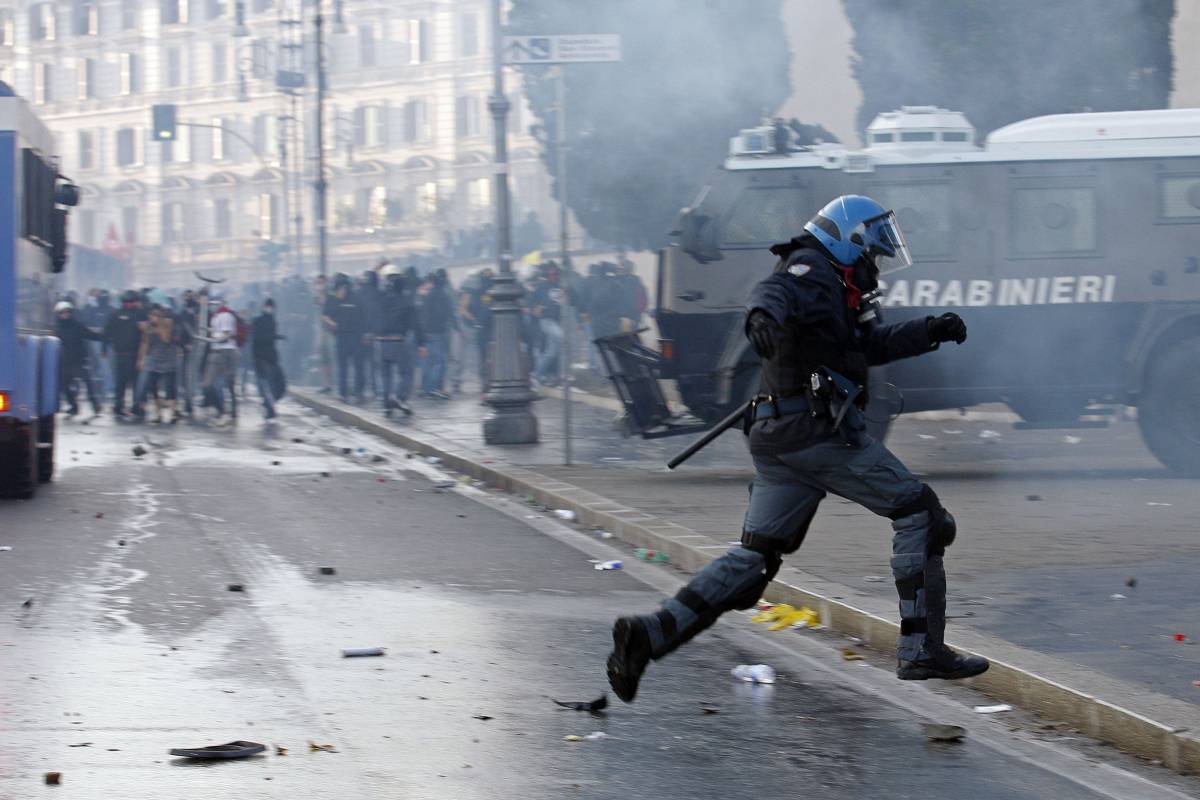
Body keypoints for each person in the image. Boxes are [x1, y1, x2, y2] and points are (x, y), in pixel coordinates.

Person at [605, 195, 987, 703]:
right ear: (850, 241)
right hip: (814, 436)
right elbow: (771, 293)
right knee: (921, 513)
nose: (876, 264)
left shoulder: (835, 287)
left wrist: (928, 331)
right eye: (872, 252)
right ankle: (921, 649)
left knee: (753, 561)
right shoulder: (810, 268)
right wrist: (763, 320)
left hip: (779, 440)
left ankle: (648, 635)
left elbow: (863, 348)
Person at [376, 266, 426, 416]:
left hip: (382, 341)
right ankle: (400, 398)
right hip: (398, 341)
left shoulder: (383, 300)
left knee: (386, 375)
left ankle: (387, 403)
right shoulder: (407, 302)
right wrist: (422, 343)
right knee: (407, 372)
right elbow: (415, 324)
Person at [54, 301, 103, 418]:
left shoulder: (77, 325)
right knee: (65, 386)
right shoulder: (56, 329)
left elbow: (90, 335)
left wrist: (105, 337)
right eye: (63, 313)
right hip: (65, 362)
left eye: (67, 312)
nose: (66, 315)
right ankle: (73, 406)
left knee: (88, 383)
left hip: (79, 360)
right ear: (58, 314)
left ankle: (95, 405)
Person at [322, 273, 366, 403]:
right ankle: (343, 392)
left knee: (358, 366)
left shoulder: (356, 298)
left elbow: (363, 316)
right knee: (343, 367)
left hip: (356, 336)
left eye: (343, 287)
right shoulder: (333, 298)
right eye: (339, 287)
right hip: (341, 336)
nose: (341, 290)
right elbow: (325, 315)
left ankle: (358, 391)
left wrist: (365, 334)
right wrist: (333, 324)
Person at [103, 290, 145, 419]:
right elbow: (107, 332)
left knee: (136, 382)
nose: (129, 304)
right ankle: (118, 406)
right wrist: (103, 349)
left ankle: (136, 406)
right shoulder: (115, 315)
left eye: (131, 302)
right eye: (127, 302)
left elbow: (146, 335)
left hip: (135, 355)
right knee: (120, 382)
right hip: (119, 354)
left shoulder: (140, 315)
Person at [136, 304, 179, 424]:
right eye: (150, 315)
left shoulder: (168, 322)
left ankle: (173, 412)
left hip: (168, 358)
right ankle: (158, 413)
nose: (151, 317)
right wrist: (141, 359)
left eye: (154, 315)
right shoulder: (148, 326)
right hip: (154, 360)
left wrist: (159, 323)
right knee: (153, 387)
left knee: (170, 387)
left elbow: (166, 338)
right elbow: (145, 343)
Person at [203, 291, 240, 426]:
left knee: (228, 384)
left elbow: (226, 334)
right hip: (215, 351)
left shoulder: (226, 315)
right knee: (209, 384)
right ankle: (223, 410)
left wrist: (215, 337)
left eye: (215, 302)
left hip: (227, 351)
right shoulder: (215, 317)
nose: (212, 305)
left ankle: (230, 412)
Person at [251, 298, 285, 420]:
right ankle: (270, 409)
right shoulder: (257, 321)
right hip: (260, 358)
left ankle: (268, 404)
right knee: (266, 385)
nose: (269, 308)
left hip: (272, 357)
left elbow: (271, 339)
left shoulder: (273, 322)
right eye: (268, 306)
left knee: (281, 386)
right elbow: (257, 338)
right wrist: (273, 337)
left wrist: (276, 337)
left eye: (271, 306)